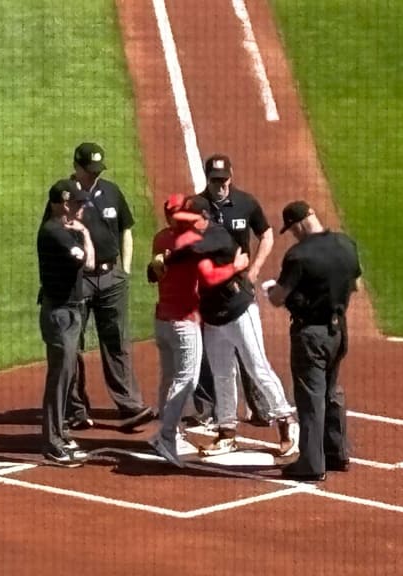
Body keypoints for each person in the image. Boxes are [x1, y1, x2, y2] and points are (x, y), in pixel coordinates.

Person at [167, 196, 299, 458]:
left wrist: (171, 257)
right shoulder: (198, 237)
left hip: (239, 311)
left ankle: (286, 422)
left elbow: (195, 252)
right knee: (222, 374)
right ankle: (227, 432)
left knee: (257, 367)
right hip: (213, 316)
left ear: (204, 218)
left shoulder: (218, 235)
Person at [43, 142, 154, 431]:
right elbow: (52, 235)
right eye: (89, 170)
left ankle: (130, 406)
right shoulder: (65, 196)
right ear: (77, 167)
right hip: (78, 280)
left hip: (111, 277)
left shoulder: (112, 192)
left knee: (117, 340)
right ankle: (76, 410)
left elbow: (126, 229)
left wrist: (124, 270)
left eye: (97, 170)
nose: (94, 175)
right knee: (73, 345)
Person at [146, 194, 250, 467]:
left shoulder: (161, 239)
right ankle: (167, 437)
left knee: (168, 378)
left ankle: (168, 432)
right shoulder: (191, 243)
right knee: (187, 380)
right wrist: (235, 267)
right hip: (184, 321)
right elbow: (209, 276)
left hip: (162, 320)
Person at [267, 201, 362, 482]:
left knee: (310, 398)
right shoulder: (346, 244)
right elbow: (355, 286)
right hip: (338, 331)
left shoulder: (299, 256)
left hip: (311, 334)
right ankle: (337, 452)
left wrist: (270, 290)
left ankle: (311, 463)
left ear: (297, 225)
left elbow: (278, 297)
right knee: (332, 391)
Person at [188, 154, 274, 428]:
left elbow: (267, 234)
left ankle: (261, 408)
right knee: (210, 353)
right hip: (209, 290)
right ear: (207, 179)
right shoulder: (199, 207)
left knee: (249, 350)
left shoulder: (246, 203)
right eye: (215, 181)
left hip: (240, 289)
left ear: (231, 175)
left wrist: (254, 270)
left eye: (224, 180)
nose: (221, 186)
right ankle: (208, 409)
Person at [36, 179, 94, 467]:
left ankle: (60, 432)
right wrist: (83, 234)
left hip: (70, 311)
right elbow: (87, 261)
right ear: (61, 203)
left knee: (67, 374)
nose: (80, 207)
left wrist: (81, 233)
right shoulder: (55, 233)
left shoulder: (63, 231)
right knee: (59, 378)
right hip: (60, 315)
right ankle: (52, 441)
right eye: (75, 203)